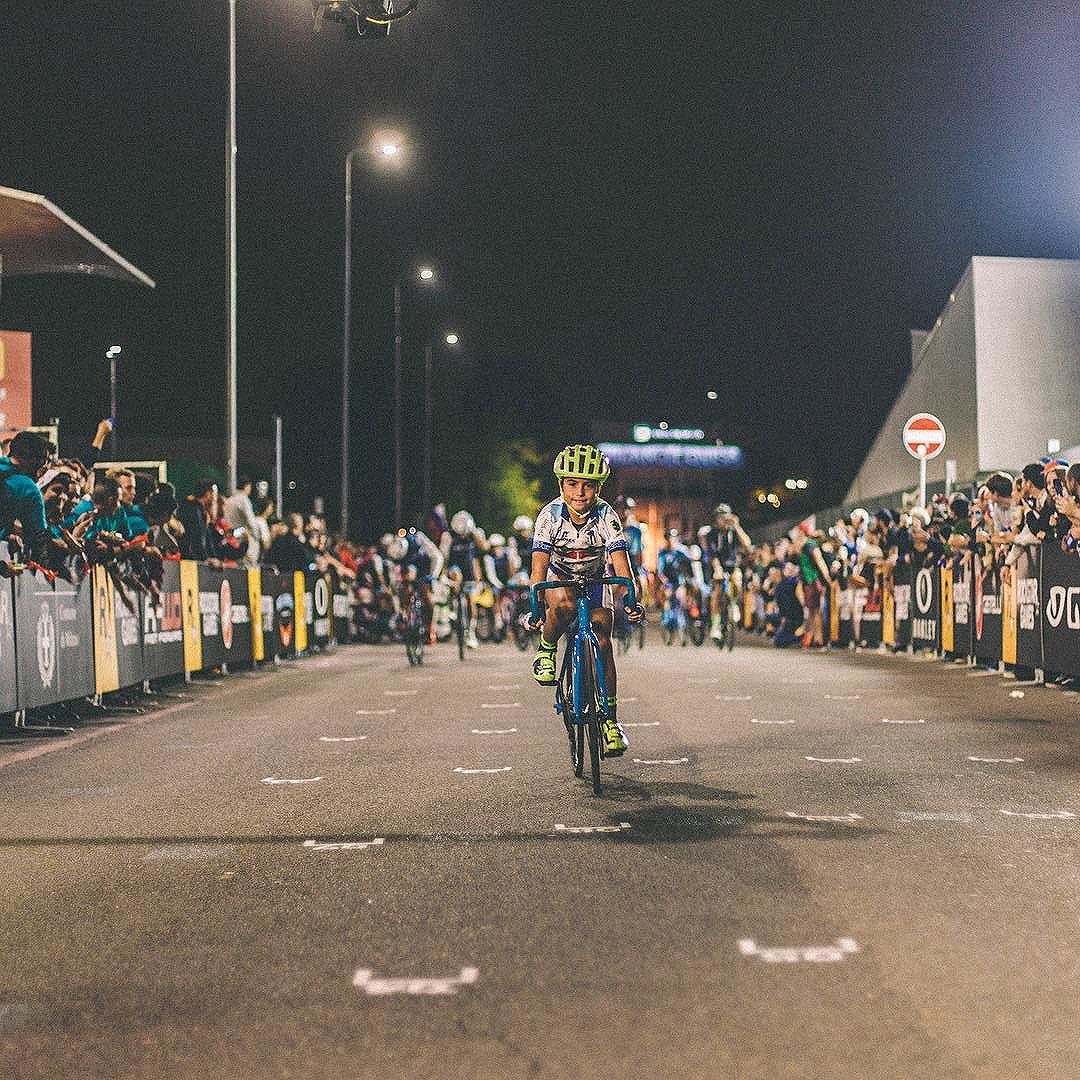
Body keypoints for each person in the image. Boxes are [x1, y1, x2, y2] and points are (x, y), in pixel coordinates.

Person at [524, 444, 645, 756]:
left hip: (594, 578)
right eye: (572, 484)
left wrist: (630, 599)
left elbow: (620, 563)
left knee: (603, 637)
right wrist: (536, 602)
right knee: (562, 607)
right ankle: (547, 648)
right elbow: (538, 568)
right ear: (561, 485)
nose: (580, 492)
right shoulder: (548, 516)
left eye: (588, 485)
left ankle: (611, 722)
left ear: (598, 488)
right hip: (559, 574)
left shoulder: (607, 515)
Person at [0, 429, 51, 571]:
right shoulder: (28, 488)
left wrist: (5, 535)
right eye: (43, 461)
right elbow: (40, 540)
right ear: (33, 460)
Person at [703, 504, 751, 640]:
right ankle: (716, 625)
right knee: (717, 593)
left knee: (737, 580)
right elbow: (712, 555)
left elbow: (747, 544)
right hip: (717, 565)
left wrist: (737, 526)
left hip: (732, 565)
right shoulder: (711, 534)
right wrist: (717, 569)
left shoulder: (734, 531)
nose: (723, 520)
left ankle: (734, 603)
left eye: (725, 517)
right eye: (720, 517)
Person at [441, 510, 484, 649]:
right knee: (456, 575)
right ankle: (453, 607)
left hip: (469, 570)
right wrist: (442, 575)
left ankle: (470, 632)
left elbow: (485, 547)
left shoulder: (474, 534)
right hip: (454, 568)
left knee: (471, 601)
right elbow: (443, 556)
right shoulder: (448, 536)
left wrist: (474, 533)